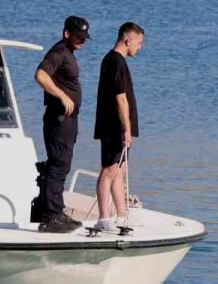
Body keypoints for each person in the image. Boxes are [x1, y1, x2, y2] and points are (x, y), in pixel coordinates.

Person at [34, 15, 91, 233]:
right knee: (58, 165)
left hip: (67, 121)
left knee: (62, 164)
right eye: (78, 36)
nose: (82, 41)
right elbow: (40, 75)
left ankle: (56, 211)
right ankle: (50, 218)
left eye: (84, 37)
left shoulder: (69, 52)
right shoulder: (59, 51)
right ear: (67, 33)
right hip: (58, 119)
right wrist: (62, 97)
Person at [92, 22, 144, 231]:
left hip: (114, 125)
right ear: (128, 39)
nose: (139, 47)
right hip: (115, 126)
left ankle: (122, 215)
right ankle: (104, 218)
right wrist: (126, 129)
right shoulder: (117, 62)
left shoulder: (111, 60)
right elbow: (121, 99)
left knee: (119, 170)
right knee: (109, 170)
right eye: (139, 43)